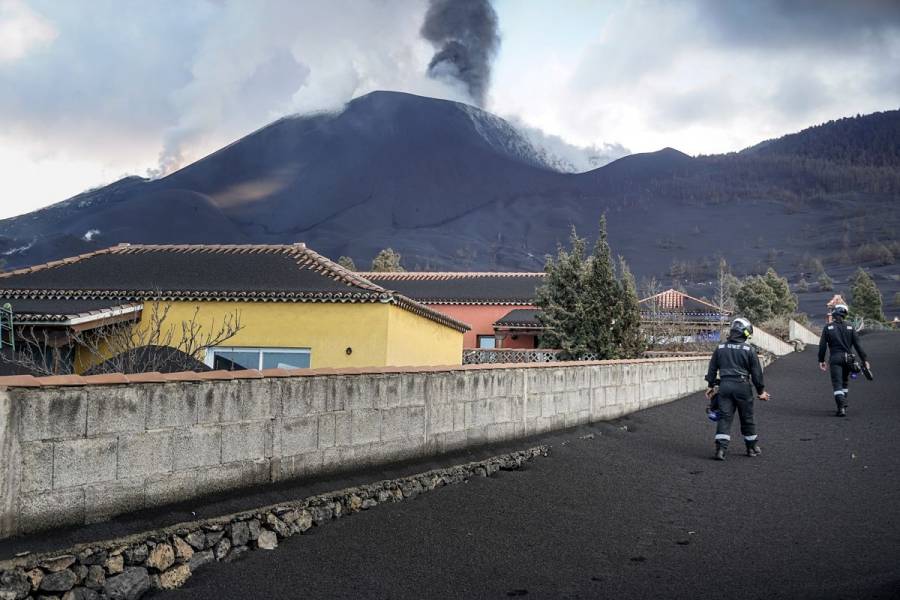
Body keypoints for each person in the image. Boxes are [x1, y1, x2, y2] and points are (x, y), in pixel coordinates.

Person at [705, 317, 770, 460]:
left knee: (724, 418)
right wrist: (761, 392)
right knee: (747, 418)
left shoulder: (720, 348)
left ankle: (720, 450)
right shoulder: (749, 350)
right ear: (746, 333)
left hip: (724, 387)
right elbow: (757, 375)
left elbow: (712, 369)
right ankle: (751, 448)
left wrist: (711, 386)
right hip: (742, 387)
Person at [818, 304, 870, 417]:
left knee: (837, 383)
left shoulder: (828, 327)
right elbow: (858, 346)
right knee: (845, 382)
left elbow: (822, 346)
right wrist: (864, 359)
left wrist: (821, 360)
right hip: (849, 359)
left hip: (835, 358)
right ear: (845, 314)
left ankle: (841, 407)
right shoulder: (851, 327)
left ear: (835, 313)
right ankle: (843, 404)